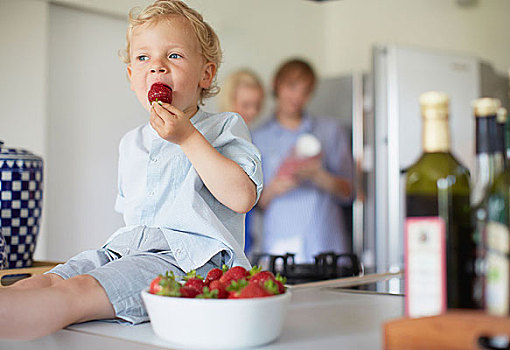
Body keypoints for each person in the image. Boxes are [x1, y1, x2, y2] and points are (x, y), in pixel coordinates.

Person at [0, 0, 262, 340]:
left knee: (80, 290)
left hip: (187, 262)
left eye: (174, 56)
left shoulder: (225, 126)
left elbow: (242, 198)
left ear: (206, 74)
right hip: (124, 249)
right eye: (143, 58)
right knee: (51, 278)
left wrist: (187, 138)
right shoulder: (131, 143)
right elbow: (135, 221)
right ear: (131, 77)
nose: (156, 67)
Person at [251, 58, 353, 263]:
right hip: (279, 249)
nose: (297, 96)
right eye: (292, 87)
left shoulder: (331, 131)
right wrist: (274, 188)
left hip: (326, 246)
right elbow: (251, 203)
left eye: (305, 91)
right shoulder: (256, 137)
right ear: (276, 85)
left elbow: (350, 194)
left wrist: (319, 176)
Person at [219, 69, 265, 256]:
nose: (252, 112)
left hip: (247, 238)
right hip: (221, 237)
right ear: (230, 101)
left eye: (257, 105)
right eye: (246, 105)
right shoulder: (214, 141)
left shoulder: (253, 140)